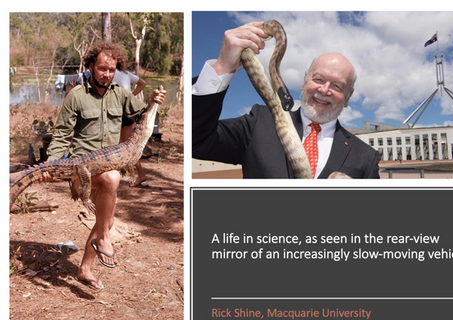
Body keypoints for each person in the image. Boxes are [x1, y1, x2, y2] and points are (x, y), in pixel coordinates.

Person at [43, 42, 166, 290]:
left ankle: (85, 269)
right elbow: (61, 136)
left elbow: (142, 115)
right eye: (101, 69)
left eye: (111, 70)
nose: (106, 74)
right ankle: (106, 241)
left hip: (110, 162)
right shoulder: (75, 96)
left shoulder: (120, 95)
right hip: (83, 168)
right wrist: (50, 164)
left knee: (105, 221)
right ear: (90, 66)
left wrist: (154, 100)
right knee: (111, 179)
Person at [192, 21, 380, 179]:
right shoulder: (259, 122)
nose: (324, 90)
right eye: (318, 79)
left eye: (337, 86)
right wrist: (223, 65)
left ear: (348, 97)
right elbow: (196, 140)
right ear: (304, 81)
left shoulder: (366, 156)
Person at [113, 68, 148, 187]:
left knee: (127, 146)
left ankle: (140, 173)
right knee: (126, 145)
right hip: (127, 112)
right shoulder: (126, 73)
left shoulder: (109, 73)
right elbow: (142, 83)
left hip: (117, 112)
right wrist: (130, 97)